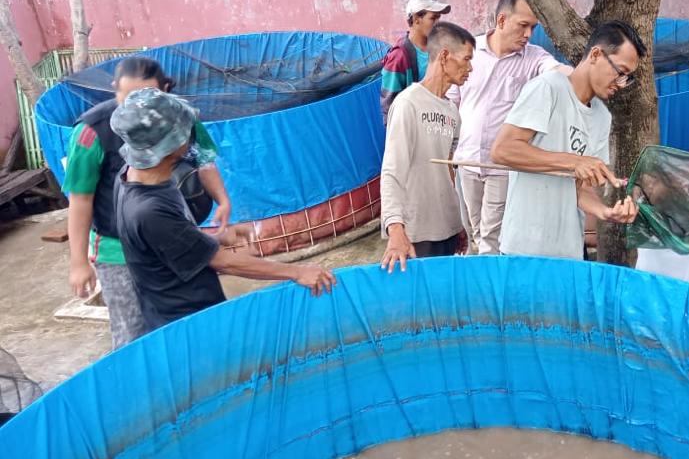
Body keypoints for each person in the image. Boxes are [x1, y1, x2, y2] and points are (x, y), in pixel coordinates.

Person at [112, 88, 335, 332]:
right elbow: (224, 263)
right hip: (187, 325)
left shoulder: (129, 177)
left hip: (180, 313)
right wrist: (297, 272)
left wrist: (217, 238)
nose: (192, 133)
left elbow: (167, 243)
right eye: (186, 130)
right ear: (171, 144)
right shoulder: (149, 211)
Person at [63, 57, 231, 349]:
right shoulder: (91, 132)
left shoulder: (180, 117)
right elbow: (81, 198)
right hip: (119, 251)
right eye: (127, 97)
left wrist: (222, 200)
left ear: (165, 89)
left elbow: (204, 159)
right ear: (115, 90)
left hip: (174, 239)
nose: (137, 108)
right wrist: (78, 262)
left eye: (148, 96)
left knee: (185, 323)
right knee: (132, 334)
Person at [491, 20, 644, 259]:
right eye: (620, 72)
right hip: (524, 249)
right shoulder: (548, 88)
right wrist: (574, 161)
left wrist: (605, 212)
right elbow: (503, 150)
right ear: (595, 54)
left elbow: (580, 189)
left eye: (627, 78)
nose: (621, 84)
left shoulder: (602, 117)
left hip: (568, 252)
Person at [446, 0, 570, 255]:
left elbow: (559, 72)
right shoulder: (470, 52)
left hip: (501, 167)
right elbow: (451, 101)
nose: (528, 34)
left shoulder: (534, 58)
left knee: (492, 238)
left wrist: (585, 76)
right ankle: (481, 282)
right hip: (466, 161)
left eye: (533, 27)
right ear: (501, 21)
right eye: (523, 25)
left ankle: (490, 291)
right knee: (474, 232)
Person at [379, 22, 473, 273]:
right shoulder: (408, 103)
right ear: (444, 56)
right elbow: (392, 170)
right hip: (418, 232)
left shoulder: (453, 111)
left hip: (447, 230)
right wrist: (395, 229)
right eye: (466, 59)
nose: (470, 68)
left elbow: (449, 172)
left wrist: (458, 223)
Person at [380, 0, 451, 124]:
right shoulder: (399, 57)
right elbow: (389, 105)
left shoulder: (440, 50)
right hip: (414, 130)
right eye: (433, 18)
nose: (437, 24)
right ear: (416, 19)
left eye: (438, 18)